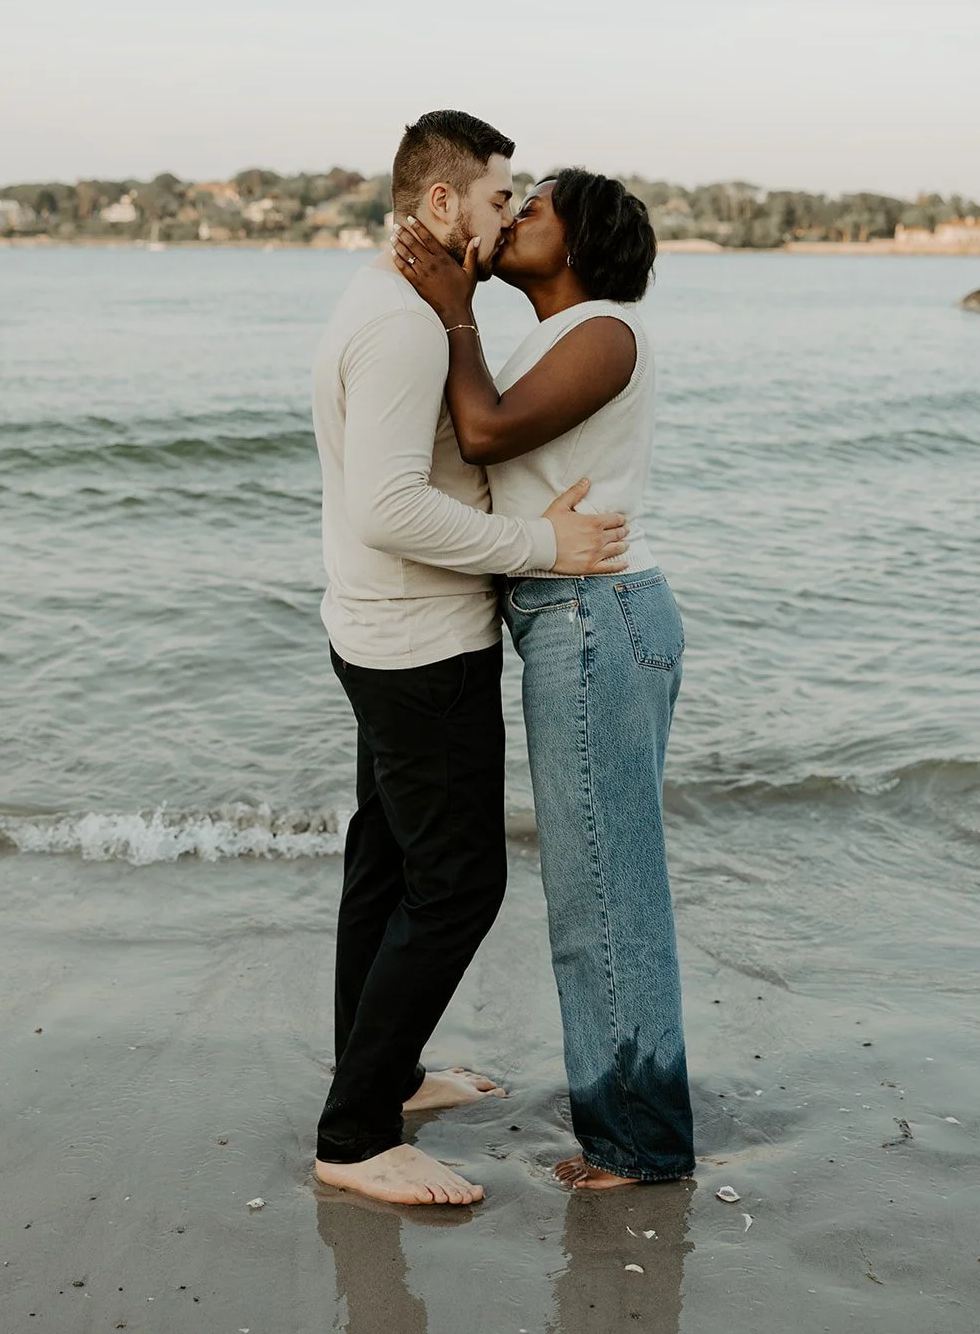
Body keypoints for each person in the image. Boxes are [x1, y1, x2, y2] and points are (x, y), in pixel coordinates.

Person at [310, 113, 630, 1207]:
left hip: (376, 628)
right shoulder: (405, 325)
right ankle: (353, 1138)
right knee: (457, 888)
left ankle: (383, 1081)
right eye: (499, 198)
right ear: (442, 206)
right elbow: (393, 505)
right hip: (418, 643)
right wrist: (545, 545)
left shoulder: (388, 299)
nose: (507, 214)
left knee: (387, 867)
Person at [392, 168, 695, 1189]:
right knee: (603, 888)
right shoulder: (555, 334)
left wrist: (453, 307)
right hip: (574, 615)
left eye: (533, 209)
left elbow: (481, 433)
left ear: (579, 241)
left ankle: (637, 1141)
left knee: (602, 897)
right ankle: (637, 1123)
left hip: (592, 617)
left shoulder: (603, 332)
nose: (511, 216)